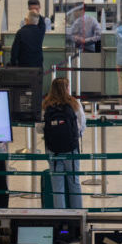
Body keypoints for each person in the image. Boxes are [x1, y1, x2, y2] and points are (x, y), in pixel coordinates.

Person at [42, 77, 85, 209]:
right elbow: (81, 124)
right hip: (71, 148)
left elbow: (39, 127)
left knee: (57, 186)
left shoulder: (46, 105)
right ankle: (77, 214)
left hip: (52, 149)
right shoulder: (74, 104)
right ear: (66, 89)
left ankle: (60, 216)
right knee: (74, 183)